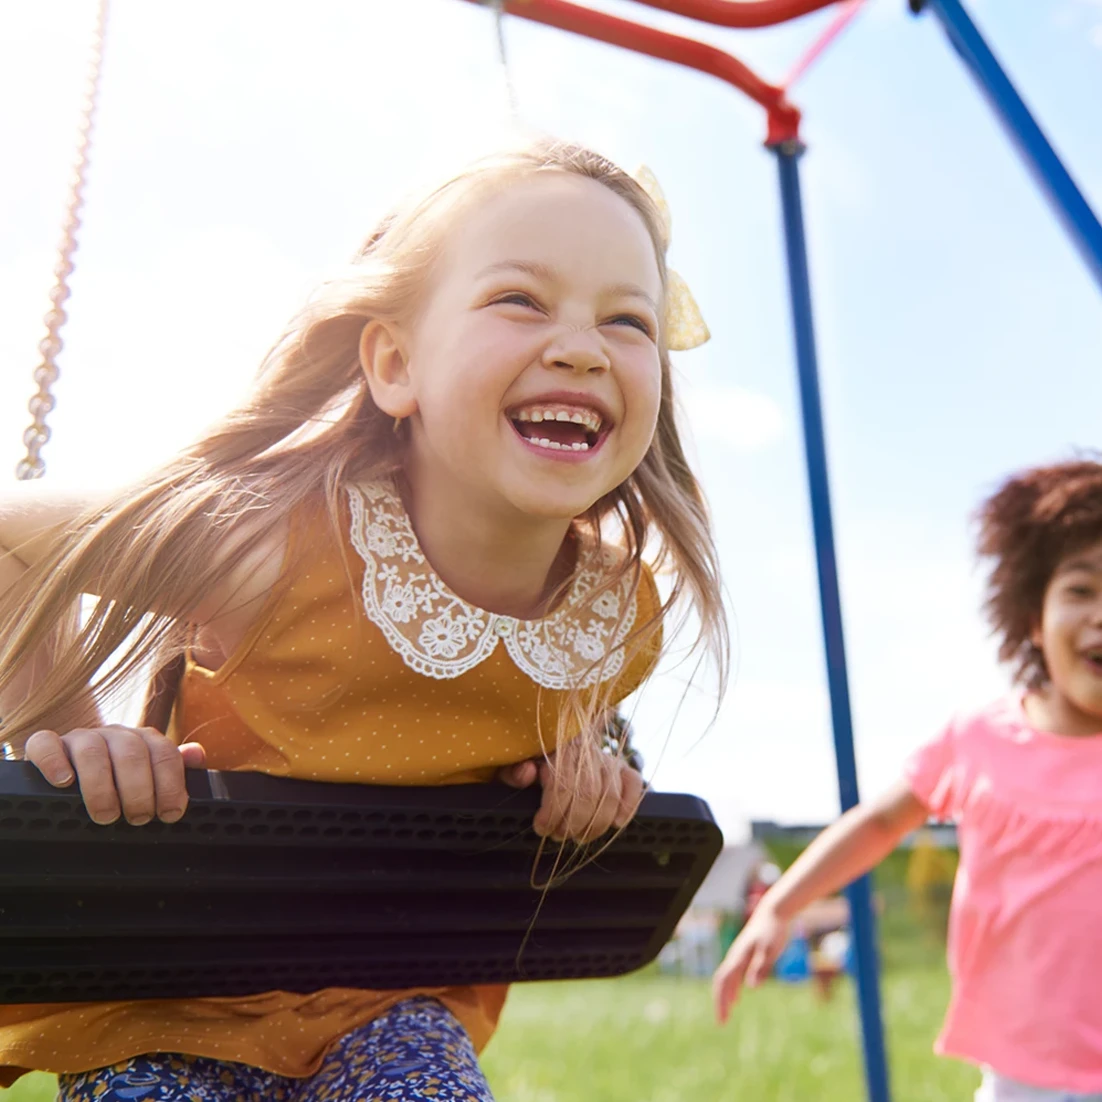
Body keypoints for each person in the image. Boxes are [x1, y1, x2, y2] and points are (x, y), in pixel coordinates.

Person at [0, 139, 727, 1101]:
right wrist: (71, 736)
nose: (582, 348)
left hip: (389, 995)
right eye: (520, 299)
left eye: (627, 319)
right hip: (162, 991)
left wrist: (582, 770)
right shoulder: (275, 550)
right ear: (394, 364)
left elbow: (526, 725)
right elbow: (12, 539)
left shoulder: (614, 616)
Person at [713, 459, 1102, 1101]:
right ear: (1034, 618)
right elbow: (878, 822)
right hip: (1023, 1077)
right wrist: (780, 905)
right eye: (1081, 590)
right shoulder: (979, 739)